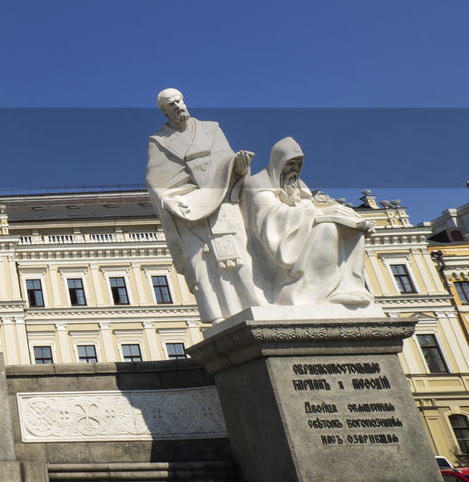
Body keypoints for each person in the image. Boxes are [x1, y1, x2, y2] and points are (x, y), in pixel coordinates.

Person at [145, 89, 264, 322]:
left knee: (241, 255)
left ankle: (255, 305)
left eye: (179, 100)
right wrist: (176, 201)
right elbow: (157, 181)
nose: (178, 106)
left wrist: (239, 166)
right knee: (203, 265)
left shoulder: (211, 129)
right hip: (189, 211)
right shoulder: (159, 143)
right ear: (164, 110)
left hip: (223, 203)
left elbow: (228, 164)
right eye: (172, 104)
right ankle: (217, 316)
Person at [241, 137, 374, 307]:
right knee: (327, 230)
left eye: (298, 163)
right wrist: (321, 214)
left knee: (350, 230)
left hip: (300, 230)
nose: (294, 168)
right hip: (276, 242)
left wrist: (345, 218)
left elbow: (307, 207)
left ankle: (348, 288)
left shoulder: (299, 185)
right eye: (290, 163)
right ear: (278, 162)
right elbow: (270, 215)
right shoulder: (258, 183)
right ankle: (302, 291)